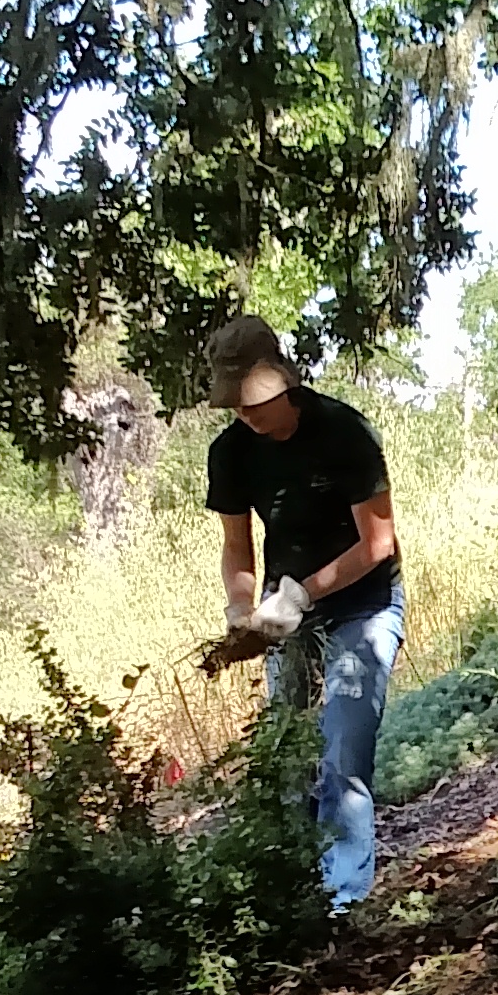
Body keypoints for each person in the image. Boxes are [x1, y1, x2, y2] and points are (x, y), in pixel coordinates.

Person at [199, 314, 404, 911]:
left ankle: (341, 903)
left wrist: (300, 594)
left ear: (283, 384)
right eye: (235, 406)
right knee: (285, 756)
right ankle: (293, 899)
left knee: (343, 746)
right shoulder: (231, 453)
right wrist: (244, 610)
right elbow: (237, 546)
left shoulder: (344, 433)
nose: (245, 415)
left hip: (362, 608)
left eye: (253, 402)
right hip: (286, 623)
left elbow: (378, 543)